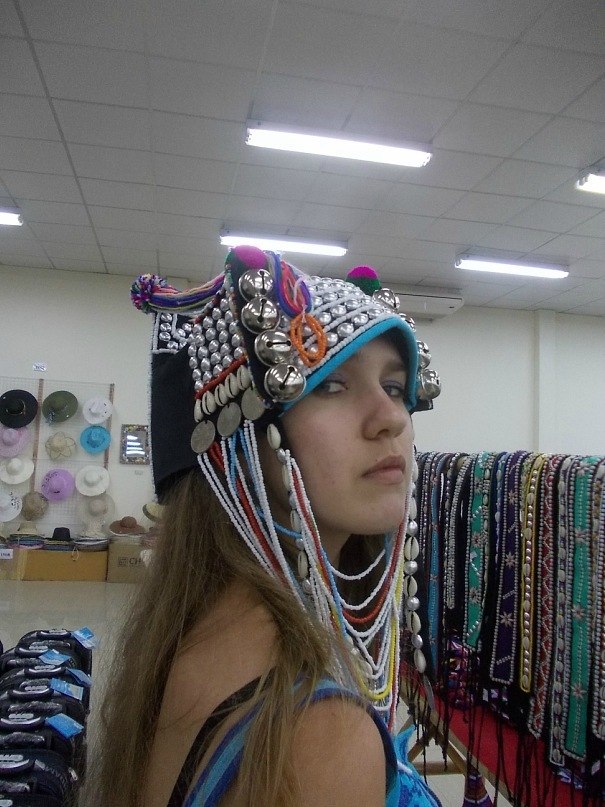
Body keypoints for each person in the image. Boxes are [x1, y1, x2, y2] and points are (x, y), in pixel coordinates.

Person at [92, 246, 441, 806]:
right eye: (330, 384)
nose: (391, 418)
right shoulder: (320, 739)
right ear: (242, 434)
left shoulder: (197, 628)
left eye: (395, 388)